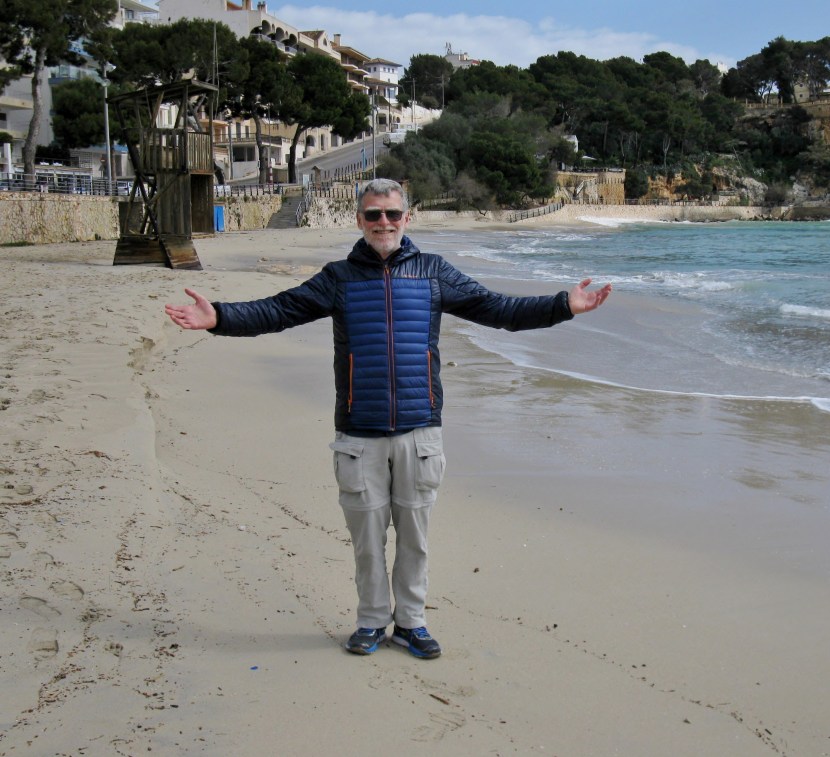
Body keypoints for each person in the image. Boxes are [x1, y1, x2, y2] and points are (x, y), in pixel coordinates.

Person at [165, 178, 611, 659]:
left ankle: (411, 623)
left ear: (406, 218)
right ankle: (372, 621)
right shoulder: (338, 278)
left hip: (420, 431)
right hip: (359, 434)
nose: (383, 223)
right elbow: (279, 310)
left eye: (392, 214)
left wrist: (563, 305)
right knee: (367, 541)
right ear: (359, 220)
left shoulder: (434, 272)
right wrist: (220, 318)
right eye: (374, 214)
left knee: (414, 540)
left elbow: (498, 309)